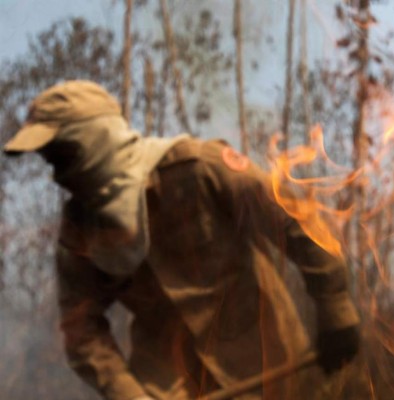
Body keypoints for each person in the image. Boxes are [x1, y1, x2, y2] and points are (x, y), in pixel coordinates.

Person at [3, 80, 360, 400]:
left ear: (95, 138)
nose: (57, 176)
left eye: (63, 155)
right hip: (169, 384)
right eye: (51, 161)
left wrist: (335, 305)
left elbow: (293, 218)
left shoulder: (197, 167)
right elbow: (82, 333)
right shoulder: (79, 234)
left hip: (272, 362)